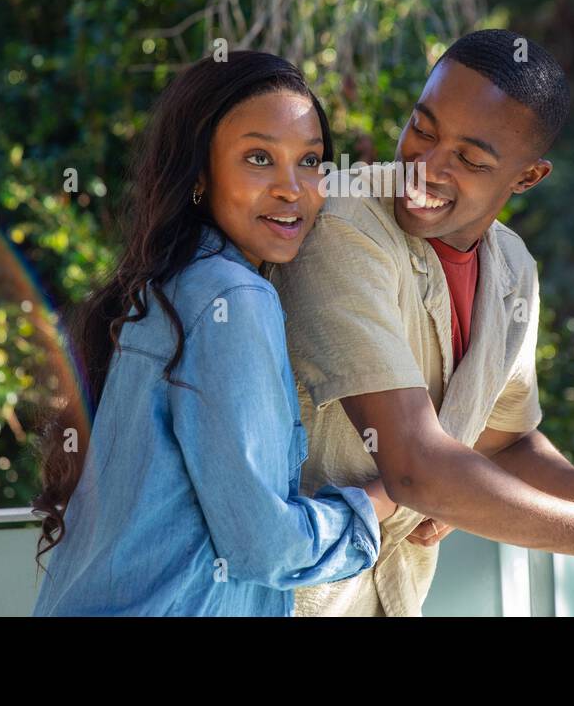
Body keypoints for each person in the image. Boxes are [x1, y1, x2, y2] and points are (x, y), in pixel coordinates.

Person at [267, 28, 574, 617]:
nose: (426, 167)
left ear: (526, 177)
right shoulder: (342, 225)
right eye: (423, 128)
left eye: (468, 158)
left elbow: (503, 441)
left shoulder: (513, 270)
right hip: (281, 600)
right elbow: (416, 467)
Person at [32, 50, 394, 616]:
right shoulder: (232, 297)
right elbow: (264, 546)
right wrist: (385, 498)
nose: (291, 189)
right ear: (200, 172)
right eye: (258, 158)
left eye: (310, 161)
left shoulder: (169, 287)